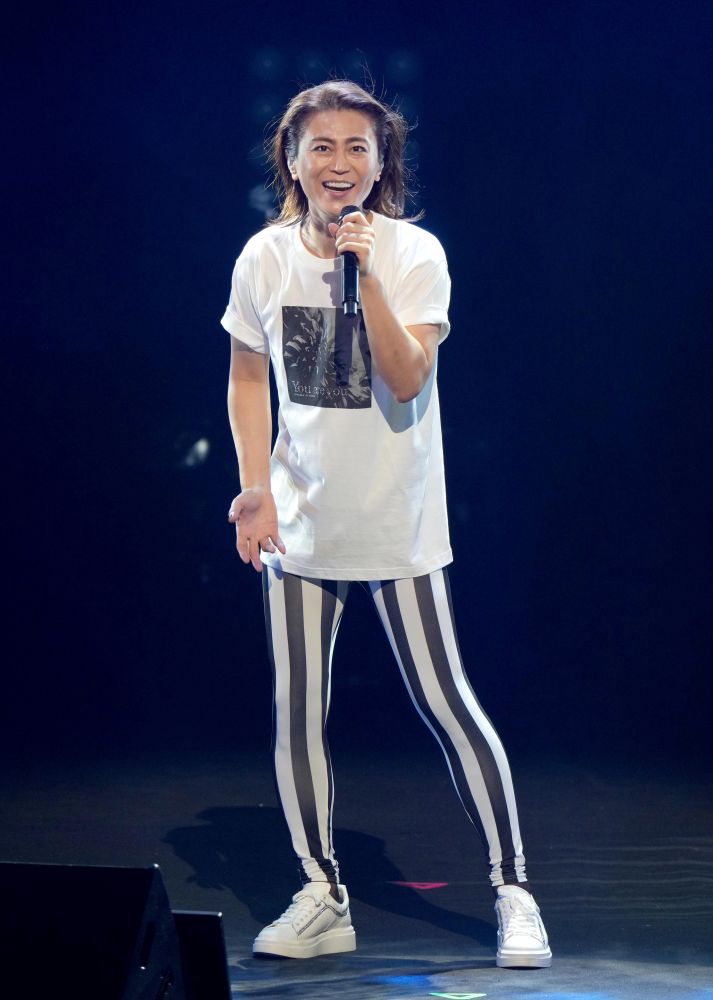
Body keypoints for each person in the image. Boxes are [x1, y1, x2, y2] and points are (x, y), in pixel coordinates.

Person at [222, 79, 551, 969]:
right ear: (292, 159)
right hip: (300, 524)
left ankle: (514, 890)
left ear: (381, 164)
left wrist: (362, 274)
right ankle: (320, 893)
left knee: (448, 704)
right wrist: (254, 488)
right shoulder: (262, 258)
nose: (339, 163)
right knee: (298, 713)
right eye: (321, 146)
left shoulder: (413, 253)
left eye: (357, 148)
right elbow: (248, 375)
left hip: (397, 523)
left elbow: (406, 377)